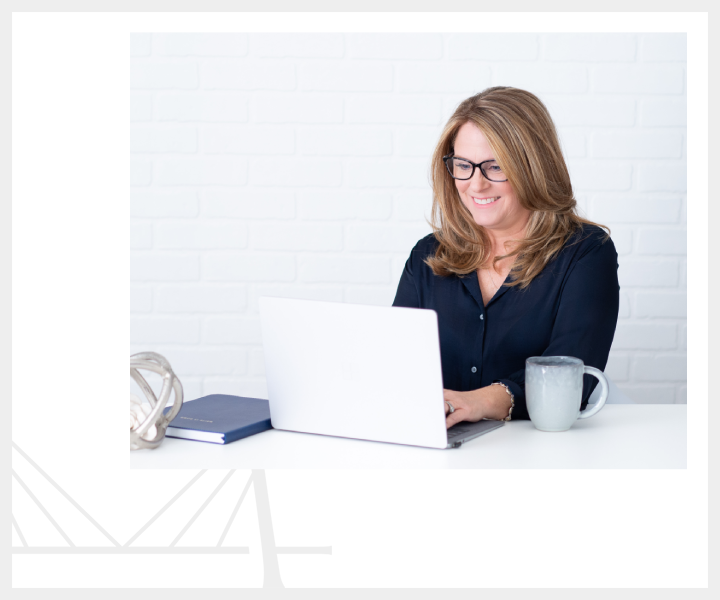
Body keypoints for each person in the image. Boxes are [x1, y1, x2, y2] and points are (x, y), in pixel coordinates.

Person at [392, 86, 619, 428]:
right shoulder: (428, 254)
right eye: (463, 165)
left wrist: (477, 402)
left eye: (495, 166)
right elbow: (395, 361)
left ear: (534, 168)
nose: (476, 184)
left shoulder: (585, 253)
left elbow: (575, 377)